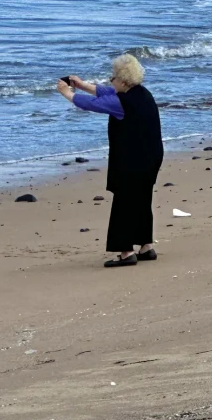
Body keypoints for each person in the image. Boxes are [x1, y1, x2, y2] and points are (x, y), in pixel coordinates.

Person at [57, 53, 163, 267]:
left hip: (132, 159)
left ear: (123, 81)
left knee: (124, 202)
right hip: (152, 156)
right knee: (142, 199)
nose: (110, 80)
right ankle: (146, 246)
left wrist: (67, 93)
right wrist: (82, 84)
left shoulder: (120, 102)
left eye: (113, 77)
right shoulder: (142, 93)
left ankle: (126, 252)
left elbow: (90, 104)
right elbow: (105, 92)